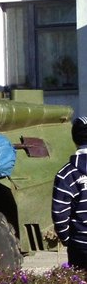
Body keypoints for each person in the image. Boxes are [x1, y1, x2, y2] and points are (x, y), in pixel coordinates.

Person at [51, 116, 87, 271]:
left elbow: (59, 213)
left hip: (80, 246)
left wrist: (68, 240)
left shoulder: (66, 174)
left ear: (74, 138)